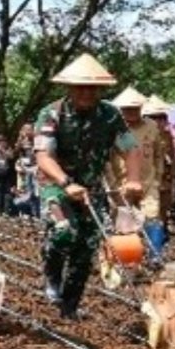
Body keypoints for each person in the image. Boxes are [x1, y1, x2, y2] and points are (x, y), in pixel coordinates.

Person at [33, 54, 142, 319]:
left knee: (86, 247)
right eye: (80, 87)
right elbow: (44, 156)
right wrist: (66, 183)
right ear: (69, 88)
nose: (86, 93)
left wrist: (133, 179)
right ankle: (52, 274)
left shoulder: (110, 115)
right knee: (63, 232)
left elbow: (130, 149)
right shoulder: (52, 114)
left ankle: (69, 308)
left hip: (92, 190)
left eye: (92, 88)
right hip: (56, 186)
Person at [105, 86, 165, 262]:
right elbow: (106, 159)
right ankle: (125, 259)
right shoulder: (113, 129)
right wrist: (110, 184)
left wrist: (159, 176)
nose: (131, 112)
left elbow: (158, 154)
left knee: (153, 216)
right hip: (120, 183)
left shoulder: (152, 127)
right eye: (127, 109)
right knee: (123, 221)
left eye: (134, 108)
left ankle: (155, 256)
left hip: (148, 181)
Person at [145, 98, 175, 245]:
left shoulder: (168, 136)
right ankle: (149, 240)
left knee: (163, 210)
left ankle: (159, 240)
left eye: (162, 118)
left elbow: (173, 158)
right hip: (148, 180)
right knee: (149, 211)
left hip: (166, 180)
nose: (159, 121)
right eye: (154, 117)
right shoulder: (143, 135)